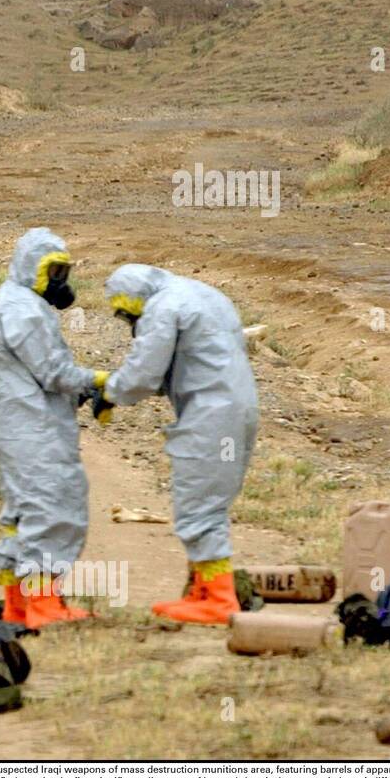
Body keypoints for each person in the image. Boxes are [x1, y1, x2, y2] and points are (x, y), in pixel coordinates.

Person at [100, 264, 259, 625]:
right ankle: (201, 591)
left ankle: (218, 600)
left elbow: (143, 372)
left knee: (198, 505)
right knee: (210, 502)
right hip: (240, 406)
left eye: (127, 315)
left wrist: (109, 391)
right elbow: (183, 364)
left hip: (209, 414)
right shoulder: (203, 295)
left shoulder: (161, 307)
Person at [0, 227, 110, 629]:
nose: (60, 282)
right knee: (54, 510)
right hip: (34, 431)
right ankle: (44, 605)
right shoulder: (21, 306)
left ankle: (17, 605)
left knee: (24, 514)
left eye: (63, 272)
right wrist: (97, 381)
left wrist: (81, 393)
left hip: (25, 425)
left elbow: (39, 375)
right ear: (29, 265)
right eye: (52, 271)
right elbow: (53, 371)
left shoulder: (19, 303)